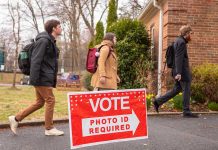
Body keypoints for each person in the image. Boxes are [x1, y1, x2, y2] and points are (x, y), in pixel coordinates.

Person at [9, 19, 64, 135]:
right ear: (54, 28)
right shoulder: (44, 41)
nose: (61, 28)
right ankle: (49, 128)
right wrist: (34, 79)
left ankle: (15, 119)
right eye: (59, 26)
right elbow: (36, 60)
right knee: (50, 100)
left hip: (43, 76)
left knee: (40, 102)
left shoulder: (51, 42)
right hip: (41, 77)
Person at [153, 25, 198, 118]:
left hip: (177, 70)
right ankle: (186, 111)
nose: (191, 36)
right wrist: (179, 73)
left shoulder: (178, 41)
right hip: (181, 71)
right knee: (187, 89)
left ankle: (157, 102)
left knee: (176, 89)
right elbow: (178, 58)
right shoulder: (181, 42)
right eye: (190, 34)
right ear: (186, 34)